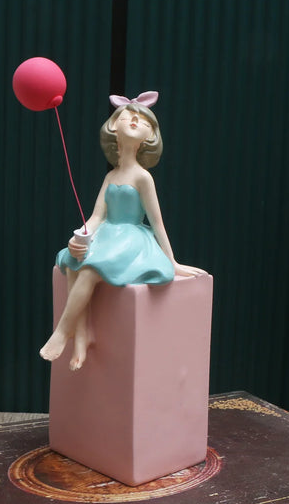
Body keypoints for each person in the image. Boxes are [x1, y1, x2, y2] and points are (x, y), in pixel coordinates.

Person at [40, 92, 205, 370]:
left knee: (90, 269)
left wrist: (173, 262)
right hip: (107, 233)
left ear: (149, 136)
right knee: (71, 262)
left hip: (131, 238)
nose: (134, 120)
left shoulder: (143, 177)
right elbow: (97, 216)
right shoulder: (111, 176)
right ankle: (82, 334)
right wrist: (79, 236)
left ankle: (62, 330)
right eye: (127, 116)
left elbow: (157, 222)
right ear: (113, 127)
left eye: (143, 121)